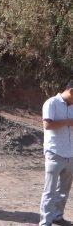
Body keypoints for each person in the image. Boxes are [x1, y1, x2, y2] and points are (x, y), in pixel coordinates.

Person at [40, 80, 73, 226]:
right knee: (50, 191)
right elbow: (47, 125)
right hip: (54, 152)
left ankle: (57, 217)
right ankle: (45, 222)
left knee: (64, 190)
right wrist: (69, 122)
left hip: (71, 153)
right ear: (71, 91)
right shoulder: (51, 103)